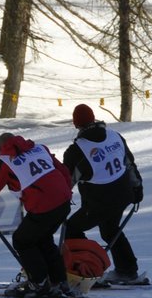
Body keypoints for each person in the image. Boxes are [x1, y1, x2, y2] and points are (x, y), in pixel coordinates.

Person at [0, 132, 74, 298]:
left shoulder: (5, 161)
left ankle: (38, 282)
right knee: (43, 238)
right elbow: (63, 170)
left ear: (0, 147)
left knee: (22, 240)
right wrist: (64, 191)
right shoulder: (39, 148)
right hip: (63, 201)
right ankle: (59, 281)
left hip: (44, 206)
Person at [62, 103, 145, 283]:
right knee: (110, 231)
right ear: (94, 119)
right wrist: (138, 187)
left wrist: (56, 201)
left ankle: (85, 270)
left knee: (71, 228)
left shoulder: (77, 151)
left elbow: (66, 182)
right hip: (124, 194)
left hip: (99, 201)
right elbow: (129, 163)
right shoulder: (114, 136)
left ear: (76, 124)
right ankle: (127, 270)